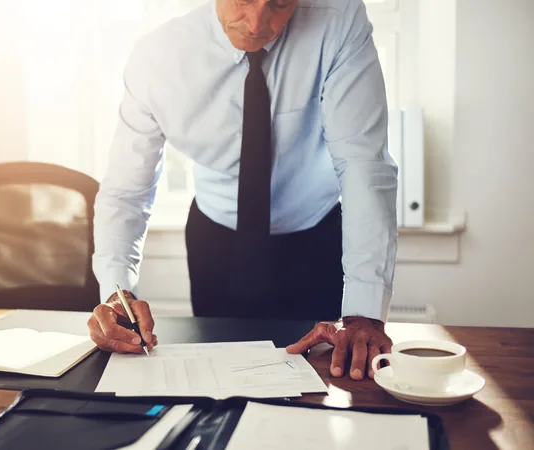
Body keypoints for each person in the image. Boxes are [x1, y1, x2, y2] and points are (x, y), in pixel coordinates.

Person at [87, 0, 397, 381]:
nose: (256, 23)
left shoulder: (339, 21)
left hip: (316, 239)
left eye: (279, 4)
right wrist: (119, 296)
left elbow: (364, 163)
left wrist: (364, 312)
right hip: (217, 244)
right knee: (220, 380)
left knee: (322, 383)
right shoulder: (158, 59)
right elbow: (126, 192)